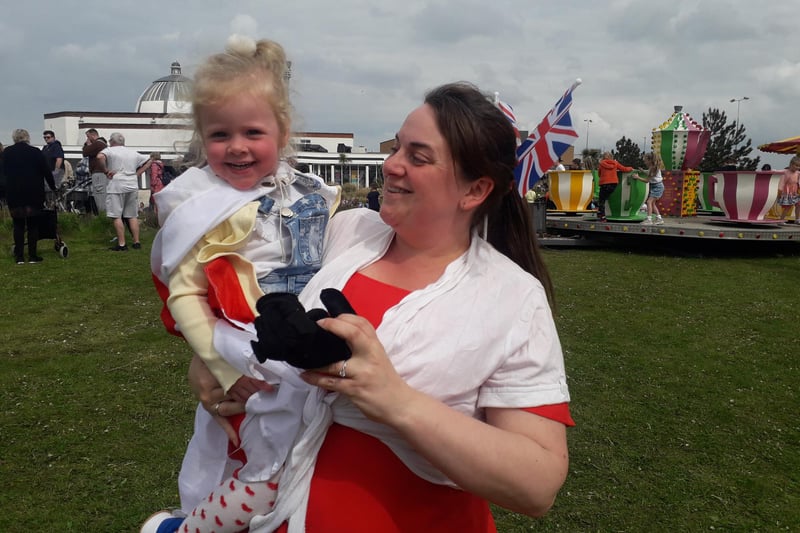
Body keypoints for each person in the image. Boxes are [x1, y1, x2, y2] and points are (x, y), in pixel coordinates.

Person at [182, 81, 573, 532]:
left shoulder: (512, 297)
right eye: (398, 147)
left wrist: (395, 400)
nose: (391, 166)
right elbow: (248, 293)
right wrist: (210, 355)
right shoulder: (346, 231)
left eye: (418, 157)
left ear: (474, 190)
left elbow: (538, 484)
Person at [142, 35, 340, 533]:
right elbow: (186, 292)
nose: (236, 147)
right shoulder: (200, 206)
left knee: (310, 450)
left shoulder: (310, 191)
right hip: (246, 342)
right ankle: (185, 529)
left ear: (283, 130)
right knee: (268, 465)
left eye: (253, 131)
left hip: (303, 332)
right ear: (200, 136)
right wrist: (218, 365)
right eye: (219, 134)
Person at [3, 129, 56, 264]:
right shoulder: (36, 152)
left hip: (14, 192)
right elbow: (46, 172)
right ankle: (33, 256)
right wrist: (53, 186)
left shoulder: (7, 152)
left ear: (14, 138)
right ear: (27, 138)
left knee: (18, 224)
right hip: (34, 192)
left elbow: (2, 173)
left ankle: (19, 257)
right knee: (33, 225)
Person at [97, 132, 149, 251]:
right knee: (132, 215)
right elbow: (149, 160)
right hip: (132, 184)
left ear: (112, 142)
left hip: (116, 184)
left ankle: (122, 244)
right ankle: (136, 242)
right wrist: (138, 173)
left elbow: (99, 157)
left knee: (116, 215)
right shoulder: (132, 152)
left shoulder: (109, 150)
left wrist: (105, 170)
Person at [596, 151, 634, 221]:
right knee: (606, 197)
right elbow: (624, 169)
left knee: (602, 200)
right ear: (611, 157)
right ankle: (600, 212)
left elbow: (599, 174)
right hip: (613, 183)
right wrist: (631, 168)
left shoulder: (601, 164)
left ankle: (602, 215)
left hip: (604, 183)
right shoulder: (615, 163)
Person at [631, 152, 665, 225]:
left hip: (657, 186)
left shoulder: (653, 169)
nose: (644, 161)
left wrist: (637, 177)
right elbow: (649, 173)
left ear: (650, 160)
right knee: (652, 204)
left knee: (649, 202)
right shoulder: (652, 168)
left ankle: (649, 219)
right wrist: (643, 171)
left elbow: (646, 181)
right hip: (657, 186)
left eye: (645, 160)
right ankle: (659, 218)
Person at [82, 128, 108, 215]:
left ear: (93, 135)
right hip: (100, 173)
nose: (87, 139)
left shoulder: (98, 144)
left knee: (99, 195)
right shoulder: (102, 144)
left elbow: (85, 152)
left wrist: (87, 144)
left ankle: (103, 216)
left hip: (98, 173)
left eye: (88, 137)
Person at [776, 156, 800, 223]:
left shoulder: (798, 173)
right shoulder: (786, 172)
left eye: (799, 166)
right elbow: (782, 183)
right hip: (787, 192)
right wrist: (780, 192)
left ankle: (797, 219)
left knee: (798, 204)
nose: (797, 167)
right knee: (788, 207)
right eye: (796, 165)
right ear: (791, 164)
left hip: (795, 192)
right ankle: (781, 219)